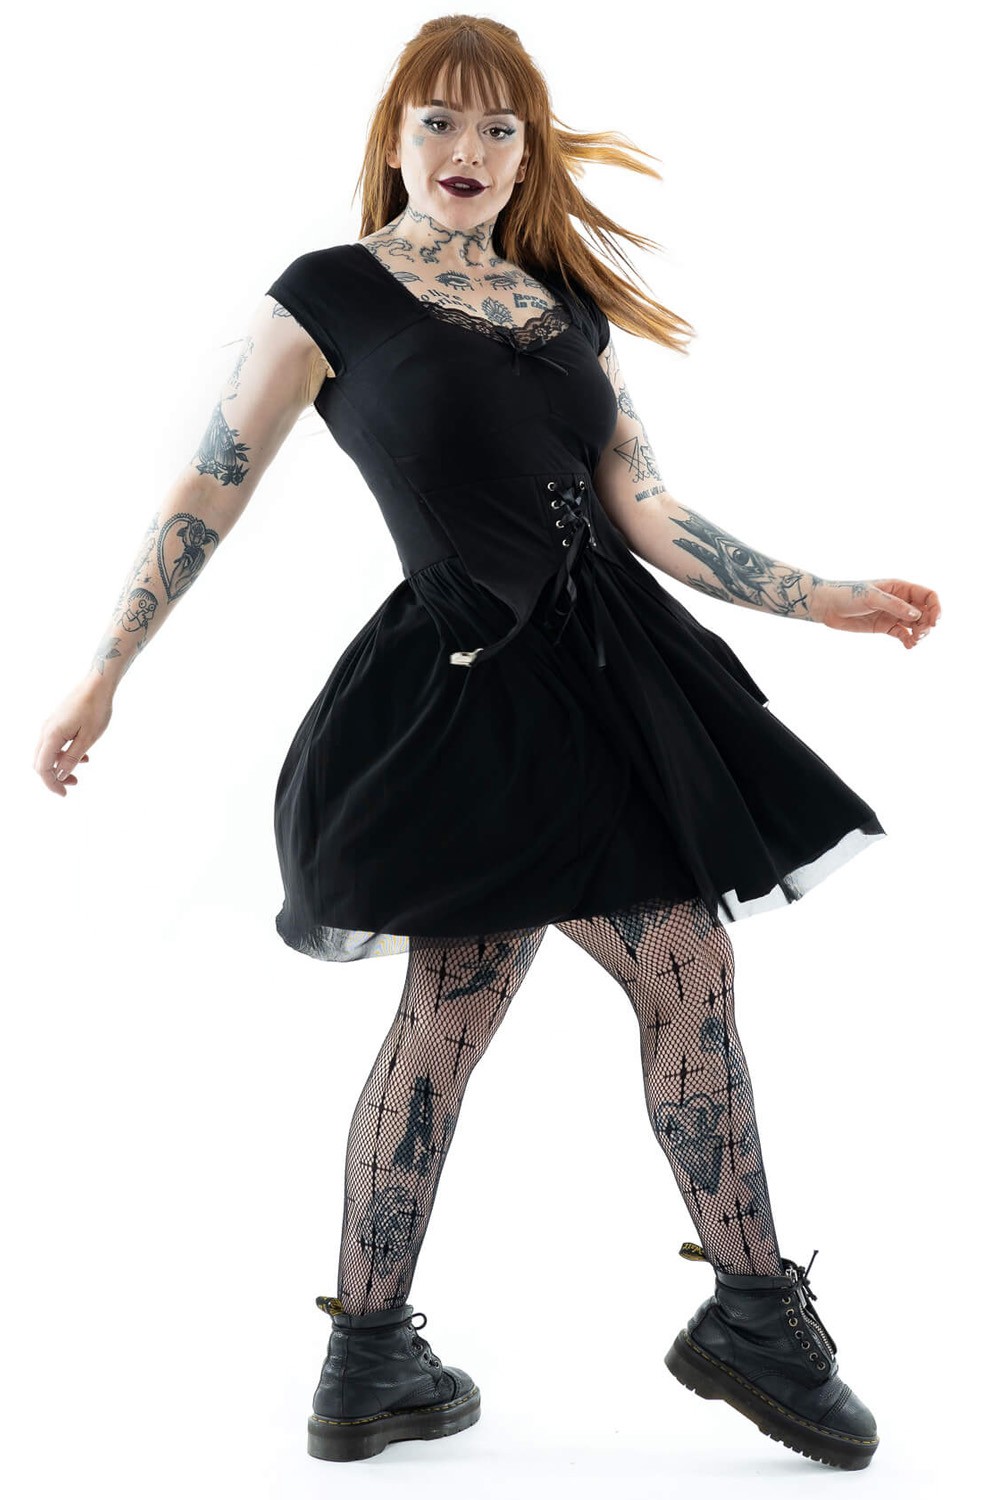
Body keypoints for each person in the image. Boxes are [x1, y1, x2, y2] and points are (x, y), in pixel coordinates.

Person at [33, 12, 940, 1474]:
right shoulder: (329, 296)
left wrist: (823, 597)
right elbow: (207, 491)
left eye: (500, 128)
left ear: (528, 153)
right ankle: (744, 1318)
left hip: (607, 678)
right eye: (442, 121)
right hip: (472, 689)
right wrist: (105, 673)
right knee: (648, 971)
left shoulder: (561, 307)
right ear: (395, 135)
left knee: (496, 998)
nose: (469, 150)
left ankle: (377, 1358)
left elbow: (648, 510)